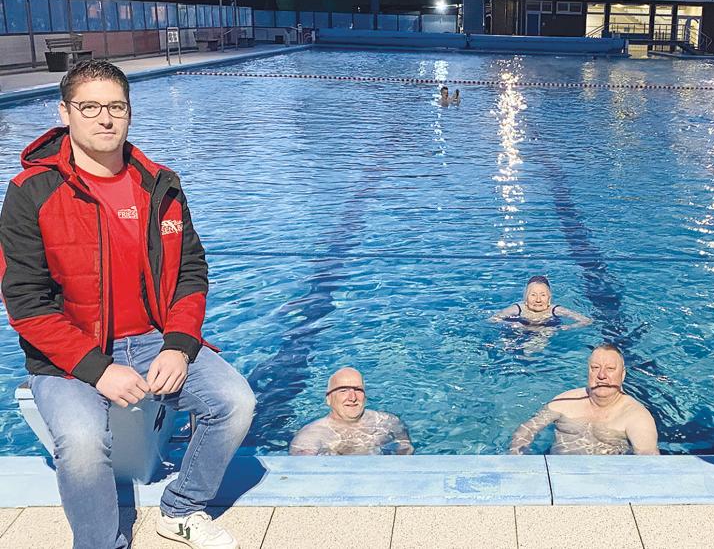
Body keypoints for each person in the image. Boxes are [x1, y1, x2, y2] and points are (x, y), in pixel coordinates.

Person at [0, 60, 256, 549]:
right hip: (69, 356)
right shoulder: (31, 193)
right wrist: (98, 369)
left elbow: (190, 272)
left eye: (115, 106)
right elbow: (26, 303)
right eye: (89, 107)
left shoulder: (159, 183)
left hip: (156, 339)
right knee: (79, 444)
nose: (104, 119)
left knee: (235, 402)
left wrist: (179, 346)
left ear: (130, 112)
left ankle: (182, 508)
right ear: (65, 112)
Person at [508, 344, 659, 455]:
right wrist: (516, 456)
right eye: (595, 368)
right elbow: (527, 429)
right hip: (556, 479)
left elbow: (648, 459)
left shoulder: (636, 416)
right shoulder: (565, 402)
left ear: (623, 374)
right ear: (588, 371)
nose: (602, 375)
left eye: (610, 369)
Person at [289, 367, 414, 456]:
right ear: (328, 399)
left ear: (365, 396)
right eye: (343, 391)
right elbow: (303, 475)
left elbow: (406, 451)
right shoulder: (311, 437)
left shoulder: (388, 422)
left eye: (358, 390)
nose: (352, 398)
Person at [490, 275, 592, 330]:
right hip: (518, 331)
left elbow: (587, 321)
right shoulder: (517, 309)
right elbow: (492, 320)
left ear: (549, 298)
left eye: (543, 295)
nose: (538, 300)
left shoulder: (555, 310)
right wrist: (510, 324)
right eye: (533, 295)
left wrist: (569, 327)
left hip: (543, 332)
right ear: (526, 298)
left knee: (533, 349)